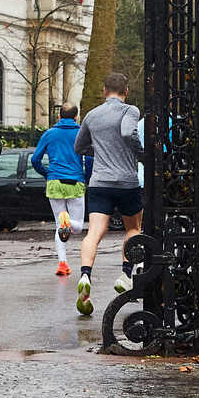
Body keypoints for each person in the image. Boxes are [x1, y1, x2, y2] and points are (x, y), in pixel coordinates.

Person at [74, 72, 143, 316]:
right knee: (133, 229)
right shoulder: (130, 110)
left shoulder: (92, 115)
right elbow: (127, 133)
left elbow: (79, 147)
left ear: (104, 91)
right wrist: (139, 153)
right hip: (126, 182)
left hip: (99, 182)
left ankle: (85, 275)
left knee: (94, 232)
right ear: (126, 91)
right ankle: (126, 274)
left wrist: (101, 151)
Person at [30, 105, 85, 276]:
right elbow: (90, 158)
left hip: (54, 181)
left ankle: (62, 264)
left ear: (59, 116)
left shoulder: (49, 133)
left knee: (59, 226)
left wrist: (47, 173)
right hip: (75, 181)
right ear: (76, 117)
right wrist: (86, 176)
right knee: (78, 227)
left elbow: (35, 159)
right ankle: (67, 220)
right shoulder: (81, 133)